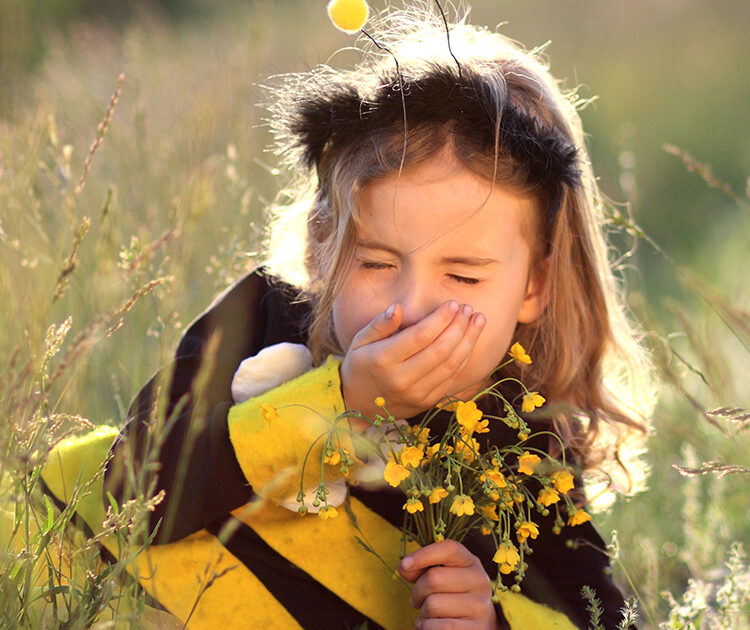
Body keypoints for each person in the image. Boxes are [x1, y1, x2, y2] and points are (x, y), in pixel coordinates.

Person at [95, 3, 653, 629]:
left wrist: (495, 620)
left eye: (463, 276)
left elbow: (606, 618)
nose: (408, 307)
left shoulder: (525, 438)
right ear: (322, 247)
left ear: (534, 285)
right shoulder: (267, 314)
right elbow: (129, 488)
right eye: (377, 263)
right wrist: (341, 403)